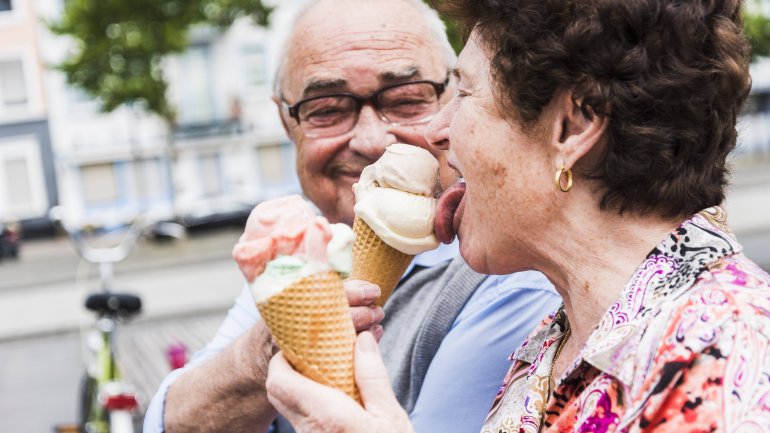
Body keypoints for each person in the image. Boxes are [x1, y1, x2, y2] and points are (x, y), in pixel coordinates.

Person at [266, 0, 770, 432]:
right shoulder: (554, 344)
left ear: (574, 126)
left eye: (463, 94)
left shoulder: (727, 353)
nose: (436, 132)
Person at [143, 1, 561, 432]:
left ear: (453, 101)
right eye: (327, 108)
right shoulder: (304, 246)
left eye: (406, 99)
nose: (370, 140)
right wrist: (265, 350)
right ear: (287, 123)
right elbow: (170, 421)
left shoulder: (506, 271)